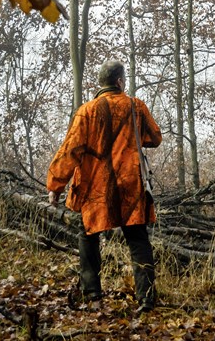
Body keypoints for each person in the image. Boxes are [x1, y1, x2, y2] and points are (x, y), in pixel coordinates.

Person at [46, 60, 162, 313]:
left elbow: (70, 151)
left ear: (101, 84)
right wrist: (132, 137)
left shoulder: (86, 111)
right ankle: (146, 299)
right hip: (130, 186)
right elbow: (155, 138)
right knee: (138, 241)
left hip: (96, 188)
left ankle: (94, 297)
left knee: (88, 237)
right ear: (120, 82)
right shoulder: (136, 107)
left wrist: (55, 184)